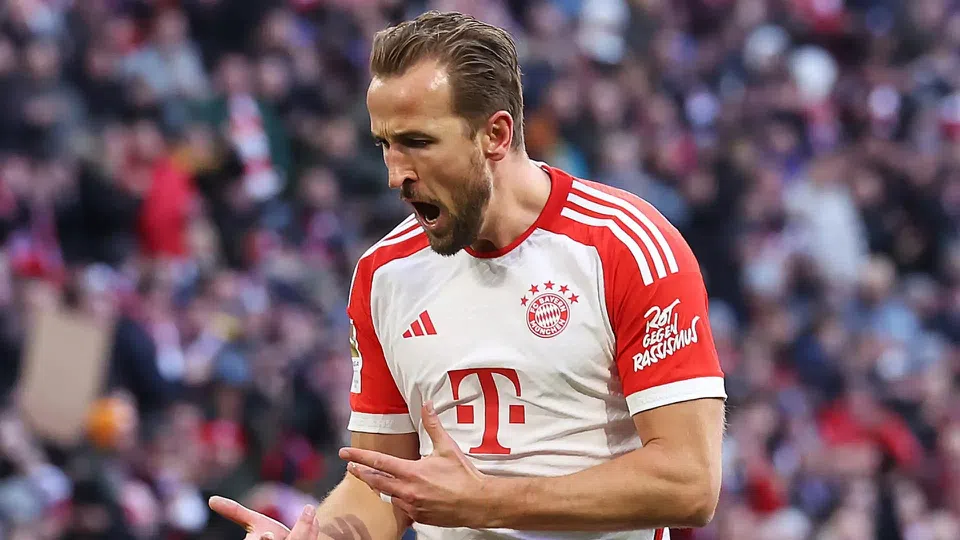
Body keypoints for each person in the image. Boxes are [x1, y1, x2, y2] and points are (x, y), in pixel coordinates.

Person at [208, 10, 727, 540]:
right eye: (385, 143)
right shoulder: (384, 274)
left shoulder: (626, 247)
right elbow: (381, 485)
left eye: (418, 142)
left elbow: (689, 482)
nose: (395, 174)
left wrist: (485, 503)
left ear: (495, 135)